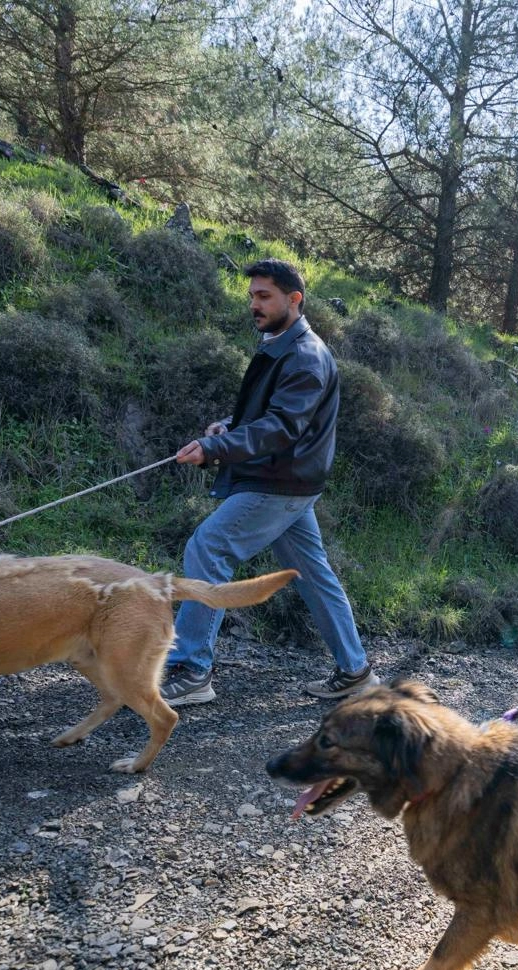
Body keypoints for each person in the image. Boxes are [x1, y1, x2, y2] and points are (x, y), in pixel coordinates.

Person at [161, 259, 379, 705]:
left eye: (264, 296)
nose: (254, 305)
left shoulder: (305, 356)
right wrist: (227, 427)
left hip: (281, 482)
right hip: (292, 479)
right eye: (252, 296)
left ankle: (192, 669)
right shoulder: (282, 343)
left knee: (209, 546)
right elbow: (271, 415)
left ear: (294, 300)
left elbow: (283, 428)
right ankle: (355, 670)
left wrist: (216, 449)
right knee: (313, 575)